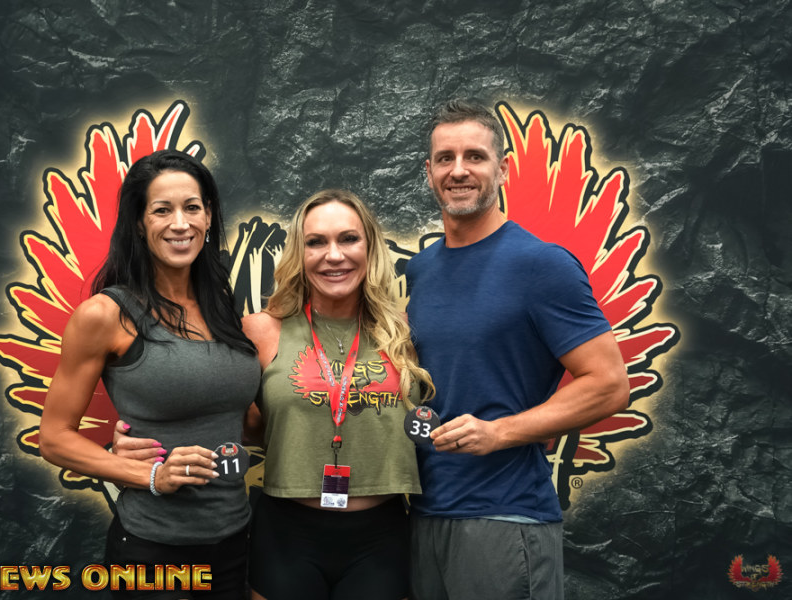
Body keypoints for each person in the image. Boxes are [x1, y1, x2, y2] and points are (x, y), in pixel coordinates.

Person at [115, 189, 435, 600]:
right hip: (287, 535)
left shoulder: (405, 332)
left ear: (370, 247)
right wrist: (143, 441)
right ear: (299, 254)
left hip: (382, 536)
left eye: (348, 239)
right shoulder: (260, 330)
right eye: (316, 242)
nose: (333, 255)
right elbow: (215, 408)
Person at [404, 97, 631, 600]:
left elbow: (609, 384)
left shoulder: (541, 265)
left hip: (504, 518)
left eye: (475, 156)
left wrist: (499, 432)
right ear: (429, 171)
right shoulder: (421, 270)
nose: (458, 170)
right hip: (424, 513)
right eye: (445, 158)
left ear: (503, 169)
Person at [39, 149, 261, 599]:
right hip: (152, 552)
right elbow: (54, 438)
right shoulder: (105, 315)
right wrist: (146, 474)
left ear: (208, 216)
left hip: (234, 542)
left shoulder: (220, 304)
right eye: (162, 210)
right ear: (139, 224)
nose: (180, 223)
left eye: (192, 207)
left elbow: (240, 419)